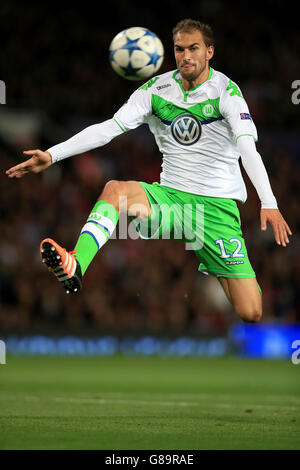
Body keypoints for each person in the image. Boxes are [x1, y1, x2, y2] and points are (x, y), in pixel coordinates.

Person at [6, 18, 292, 323]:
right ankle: (77, 263)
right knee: (115, 190)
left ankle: (218, 264)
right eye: (180, 49)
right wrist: (52, 154)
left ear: (209, 52)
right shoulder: (156, 89)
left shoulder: (227, 93)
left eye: (194, 48)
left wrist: (269, 202)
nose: (186, 56)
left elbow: (247, 147)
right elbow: (108, 129)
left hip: (216, 211)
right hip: (171, 201)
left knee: (251, 311)